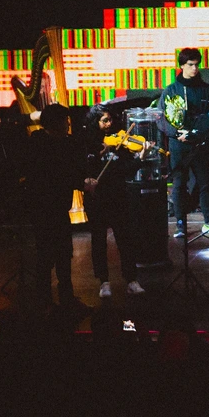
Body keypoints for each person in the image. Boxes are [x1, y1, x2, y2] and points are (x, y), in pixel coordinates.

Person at [24, 104, 86, 309]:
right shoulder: (40, 145)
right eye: (64, 121)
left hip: (59, 208)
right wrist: (82, 183)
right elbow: (60, 175)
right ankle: (44, 301)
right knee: (47, 256)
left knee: (63, 254)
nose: (68, 124)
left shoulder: (62, 143)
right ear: (55, 123)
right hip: (43, 209)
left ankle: (64, 299)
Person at [157, 48, 209, 238]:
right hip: (179, 144)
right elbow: (162, 118)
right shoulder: (171, 90)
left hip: (199, 142)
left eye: (196, 64)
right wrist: (176, 133)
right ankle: (180, 224)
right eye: (190, 65)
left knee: (204, 182)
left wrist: (196, 133)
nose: (194, 68)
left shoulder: (205, 89)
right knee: (179, 183)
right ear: (182, 66)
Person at [81, 108, 144, 297]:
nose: (109, 124)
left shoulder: (119, 142)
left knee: (125, 239)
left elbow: (125, 170)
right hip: (97, 197)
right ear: (95, 123)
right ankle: (104, 282)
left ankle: (132, 280)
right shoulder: (88, 144)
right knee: (98, 240)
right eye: (104, 121)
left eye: (110, 120)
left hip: (118, 195)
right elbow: (82, 168)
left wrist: (139, 158)